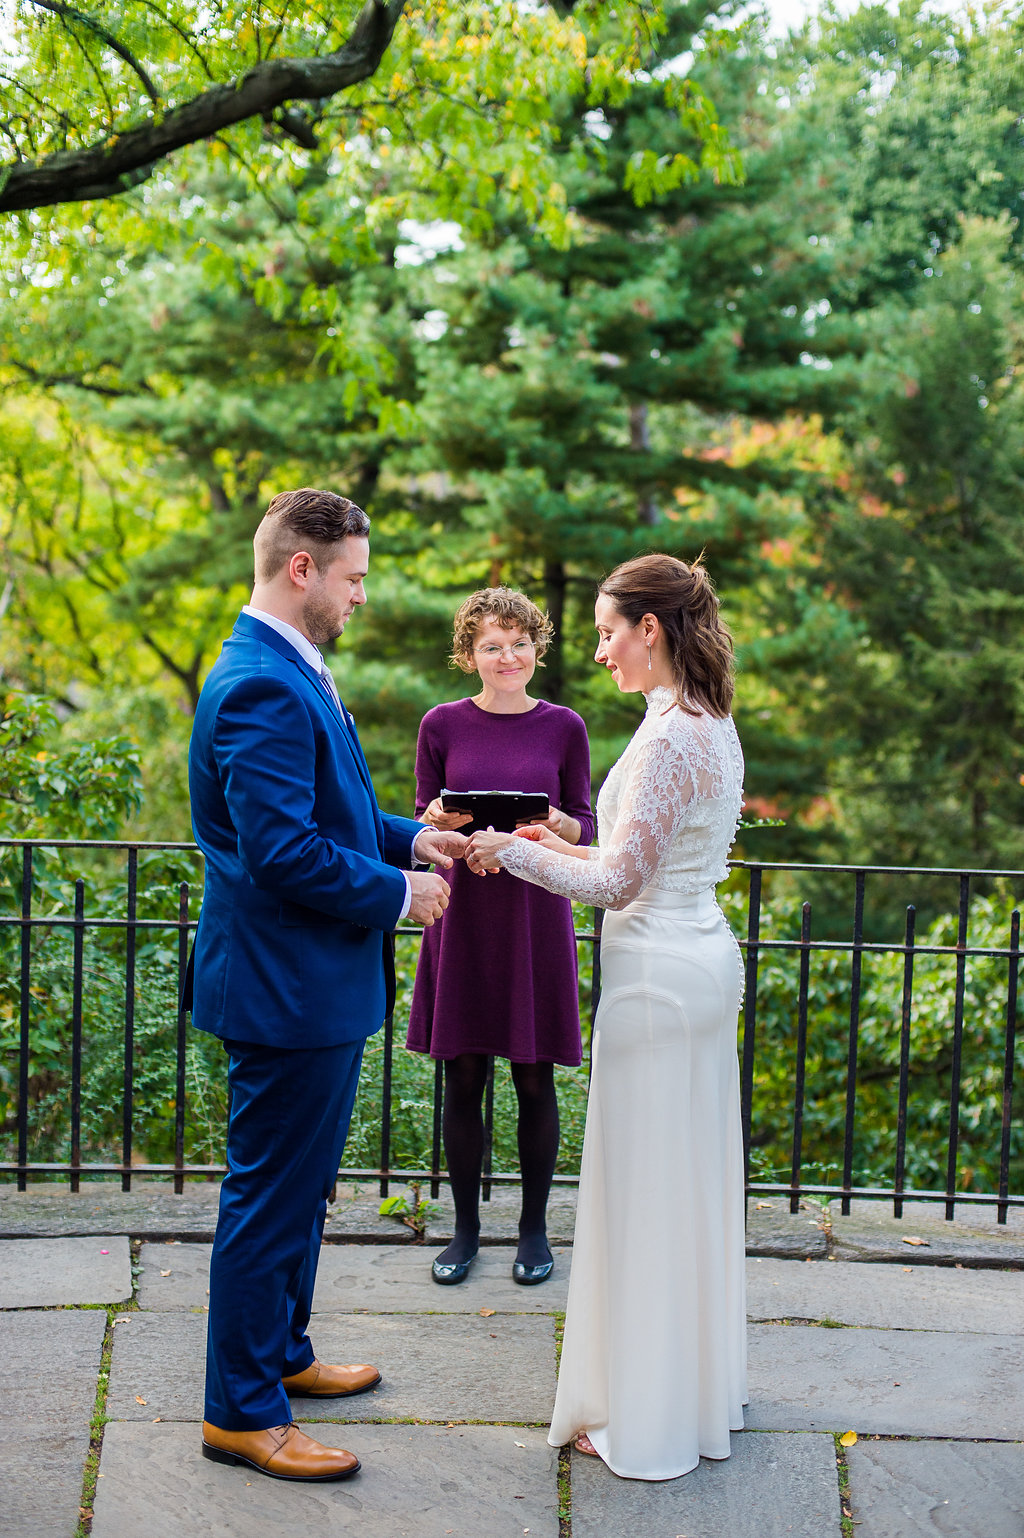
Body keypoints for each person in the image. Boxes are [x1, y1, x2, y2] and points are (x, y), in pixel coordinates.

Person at [186, 487, 466, 1483]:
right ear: (299, 567)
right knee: (268, 1199)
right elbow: (282, 852)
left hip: (309, 986)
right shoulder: (261, 679)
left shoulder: (294, 666)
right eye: (351, 576)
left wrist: (408, 835)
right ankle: (241, 1410)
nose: (361, 595)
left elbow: (333, 806)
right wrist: (400, 890)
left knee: (299, 1194)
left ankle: (284, 1354)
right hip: (283, 988)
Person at [466, 554, 747, 1481]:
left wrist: (510, 851)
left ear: (651, 628)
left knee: (646, 1194)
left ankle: (649, 1416)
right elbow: (639, 849)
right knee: (687, 1182)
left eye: (605, 631)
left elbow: (620, 882)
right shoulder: (697, 716)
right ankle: (691, 1388)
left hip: (660, 983)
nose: (596, 651)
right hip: (694, 958)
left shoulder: (670, 734)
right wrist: (559, 834)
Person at [406, 588, 594, 1286]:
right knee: (463, 1075)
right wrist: (438, 824)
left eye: (518, 643)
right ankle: (463, 1232)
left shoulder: (565, 727)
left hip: (534, 915)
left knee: (534, 1076)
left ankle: (535, 1230)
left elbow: (584, 824)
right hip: (463, 914)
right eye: (491, 645)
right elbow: (420, 828)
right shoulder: (440, 725)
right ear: (469, 655)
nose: (506, 656)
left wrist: (551, 825)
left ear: (536, 650)